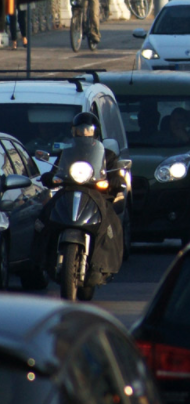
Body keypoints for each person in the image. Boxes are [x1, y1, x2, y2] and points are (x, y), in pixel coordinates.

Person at [32, 112, 124, 286]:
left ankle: (102, 266)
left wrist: (115, 180)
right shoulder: (67, 152)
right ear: (73, 132)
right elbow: (56, 171)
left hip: (96, 195)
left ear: (95, 132)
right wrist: (50, 177)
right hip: (68, 191)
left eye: (88, 130)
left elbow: (117, 174)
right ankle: (40, 260)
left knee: (112, 223)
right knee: (43, 216)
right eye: (80, 130)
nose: (84, 133)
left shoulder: (107, 155)